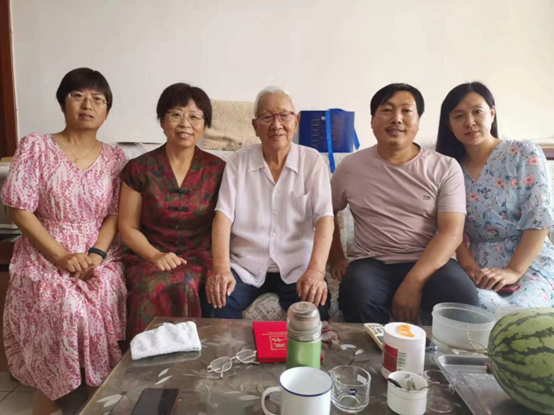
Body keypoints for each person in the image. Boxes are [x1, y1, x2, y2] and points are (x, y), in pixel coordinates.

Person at [1, 68, 127, 415]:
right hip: (45, 251)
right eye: (78, 95)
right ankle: (66, 401)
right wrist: (61, 256)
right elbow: (19, 209)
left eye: (98, 99)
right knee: (67, 308)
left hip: (99, 253)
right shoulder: (36, 146)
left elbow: (115, 214)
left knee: (103, 294)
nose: (88, 104)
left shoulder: (116, 158)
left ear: (107, 110)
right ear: (63, 102)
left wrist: (97, 254)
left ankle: (92, 397)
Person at [329, 83, 479, 324]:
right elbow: (326, 213)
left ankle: (434, 349)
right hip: (372, 262)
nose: (396, 119)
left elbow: (451, 233)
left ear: (418, 121)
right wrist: (337, 257)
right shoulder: (350, 167)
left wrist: (413, 283)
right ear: (372, 121)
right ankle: (376, 349)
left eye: (406, 111)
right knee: (356, 294)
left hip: (430, 261)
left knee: (462, 296)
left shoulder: (444, 167)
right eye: (387, 110)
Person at [202, 86, 334, 319]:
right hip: (245, 266)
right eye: (266, 117)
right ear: (255, 126)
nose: (276, 125)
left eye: (284, 116)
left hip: (297, 267)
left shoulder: (312, 161)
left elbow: (325, 219)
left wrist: (316, 271)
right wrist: (221, 269)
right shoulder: (238, 162)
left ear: (296, 121)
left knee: (315, 308)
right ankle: (231, 346)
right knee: (217, 302)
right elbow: (223, 217)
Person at [436, 82, 554, 312]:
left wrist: (514, 271)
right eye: (458, 116)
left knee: (519, 313)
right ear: (449, 125)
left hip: (530, 260)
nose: (469, 122)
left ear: (492, 113)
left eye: (477, 112)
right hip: (479, 266)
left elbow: (539, 217)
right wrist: (469, 267)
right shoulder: (449, 169)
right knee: (469, 308)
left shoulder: (522, 153)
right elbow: (450, 228)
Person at [119, 83, 225, 338]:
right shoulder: (139, 168)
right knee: (150, 287)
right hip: (148, 256)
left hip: (198, 258)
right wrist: (155, 256)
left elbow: (226, 222)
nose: (185, 124)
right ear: (162, 121)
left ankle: (190, 357)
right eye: (176, 115)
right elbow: (127, 226)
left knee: (186, 282)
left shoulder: (219, 170)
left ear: (205, 125)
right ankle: (142, 357)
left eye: (195, 117)